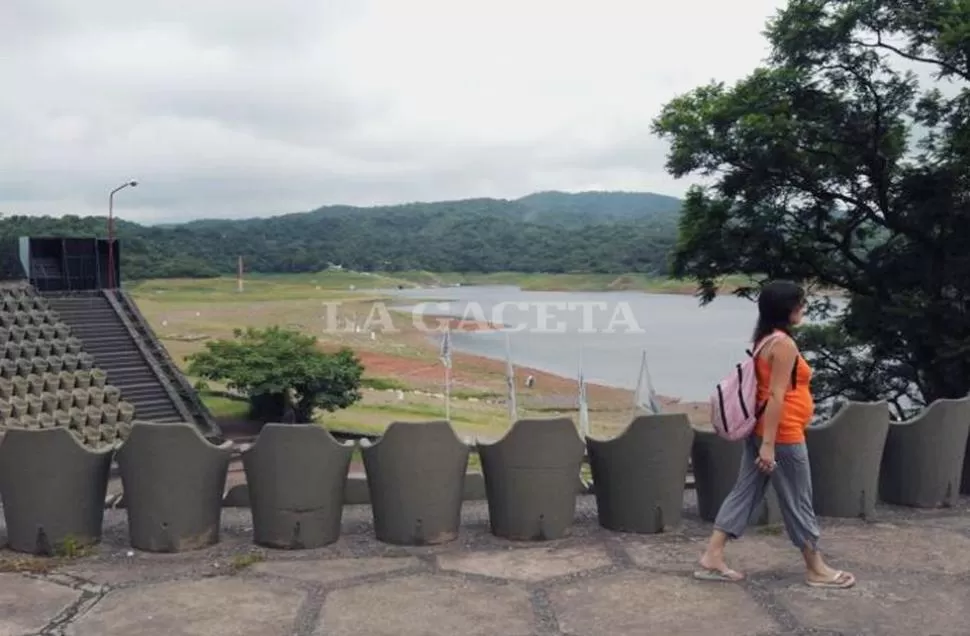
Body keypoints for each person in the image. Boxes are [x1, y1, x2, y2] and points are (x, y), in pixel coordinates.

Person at [693, 280, 855, 589]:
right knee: (798, 499)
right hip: (781, 435)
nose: (803, 308)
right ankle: (816, 569)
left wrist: (764, 442)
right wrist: (768, 446)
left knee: (745, 492)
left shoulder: (765, 339)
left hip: (763, 432)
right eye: (799, 303)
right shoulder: (783, 345)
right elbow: (777, 396)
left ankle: (713, 556)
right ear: (787, 308)